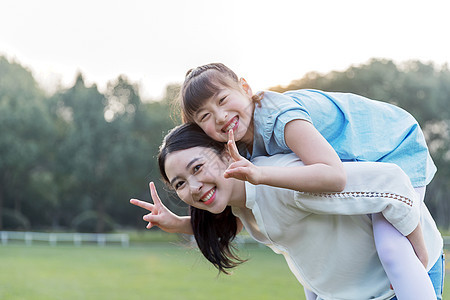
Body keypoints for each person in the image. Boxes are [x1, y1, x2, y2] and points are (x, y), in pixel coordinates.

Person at [176, 63, 443, 299]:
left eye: (222, 100)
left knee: (392, 248)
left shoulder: (281, 118)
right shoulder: (241, 145)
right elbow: (244, 211)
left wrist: (261, 175)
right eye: (205, 117)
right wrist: (180, 224)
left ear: (245, 88)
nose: (220, 116)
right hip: (359, 161)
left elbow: (333, 177)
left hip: (393, 147)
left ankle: (421, 252)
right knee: (313, 277)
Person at [130, 123, 444, 300]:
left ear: (228, 152)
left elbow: (391, 181)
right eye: (181, 183)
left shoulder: (282, 180)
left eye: (197, 167)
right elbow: (250, 222)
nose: (194, 186)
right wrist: (179, 224)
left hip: (398, 288)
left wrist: (417, 251)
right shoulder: (239, 201)